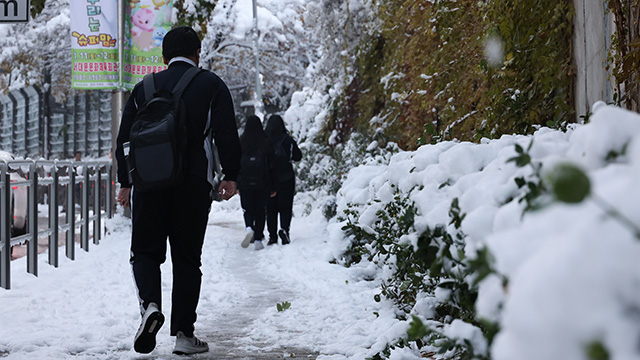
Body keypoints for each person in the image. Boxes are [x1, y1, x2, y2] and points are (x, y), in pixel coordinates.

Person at [114, 26, 241, 355]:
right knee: (186, 259)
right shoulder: (211, 84)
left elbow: (125, 140)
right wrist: (231, 175)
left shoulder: (144, 88)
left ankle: (150, 308)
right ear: (198, 53)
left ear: (163, 57)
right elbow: (226, 133)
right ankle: (184, 334)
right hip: (193, 184)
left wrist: (126, 182)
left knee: (144, 253)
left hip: (148, 184)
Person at [238, 115, 277, 250]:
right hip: (263, 182)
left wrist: (237, 183)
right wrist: (273, 185)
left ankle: (249, 228)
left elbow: (236, 163)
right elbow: (272, 164)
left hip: (245, 182)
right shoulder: (266, 141)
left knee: (248, 209)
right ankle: (259, 239)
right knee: (260, 211)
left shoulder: (242, 141)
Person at [264, 114, 302, 245]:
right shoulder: (288, 140)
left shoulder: (264, 140)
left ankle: (272, 236)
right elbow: (298, 156)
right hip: (286, 177)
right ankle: (285, 229)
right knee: (286, 206)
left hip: (268, 179)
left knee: (270, 209)